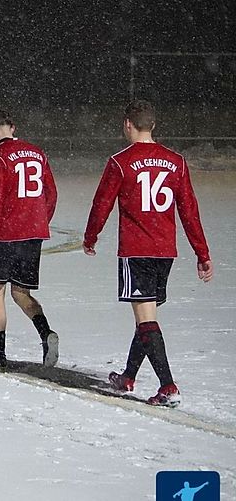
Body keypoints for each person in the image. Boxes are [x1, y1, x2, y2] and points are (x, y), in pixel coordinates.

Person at [84, 99, 212, 407]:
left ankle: (168, 386)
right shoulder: (176, 161)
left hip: (136, 250)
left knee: (145, 321)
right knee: (147, 317)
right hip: (164, 251)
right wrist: (202, 252)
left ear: (127, 124)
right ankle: (128, 376)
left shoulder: (120, 162)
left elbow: (102, 204)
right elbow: (190, 211)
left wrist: (91, 236)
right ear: (152, 125)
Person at [0, 110, 59, 369]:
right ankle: (46, 332)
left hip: (6, 233)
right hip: (32, 234)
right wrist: (38, 221)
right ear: (12, 128)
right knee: (21, 292)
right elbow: (51, 193)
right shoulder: (37, 152)